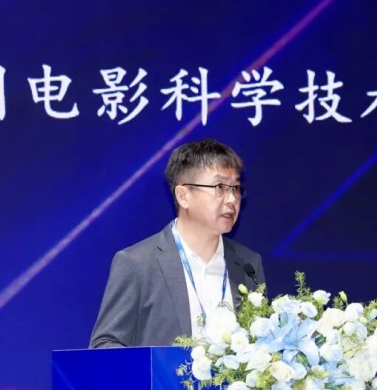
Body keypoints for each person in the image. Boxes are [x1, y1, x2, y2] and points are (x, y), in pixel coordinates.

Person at [89, 138, 266, 348]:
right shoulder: (138, 264)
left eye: (235, 188)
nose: (231, 199)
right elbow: (104, 345)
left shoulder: (248, 263)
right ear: (183, 196)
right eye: (219, 187)